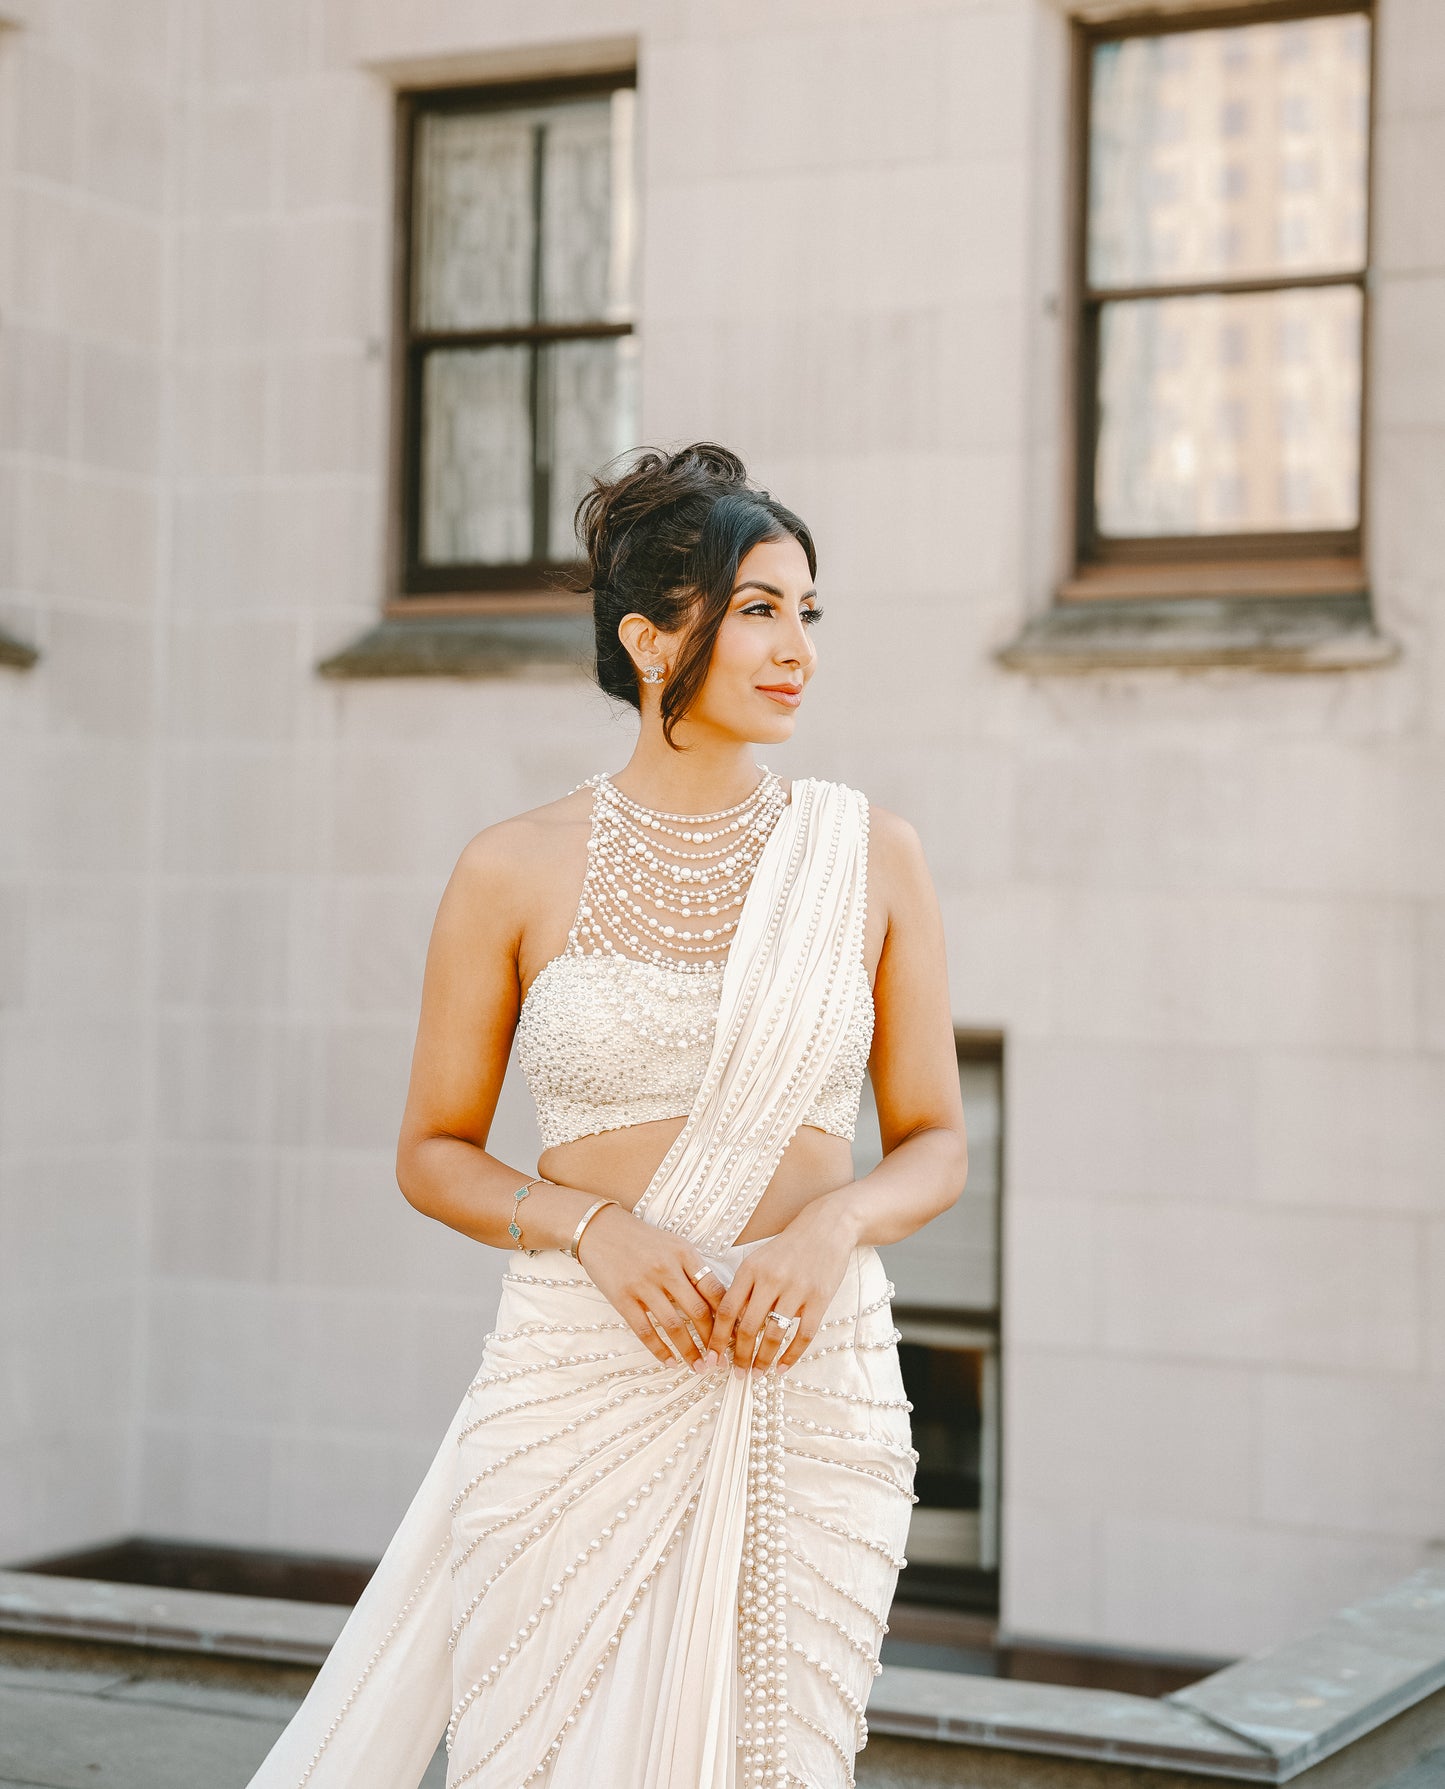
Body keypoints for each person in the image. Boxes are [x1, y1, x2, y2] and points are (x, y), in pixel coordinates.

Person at [246, 443, 967, 1789]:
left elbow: (933, 1136)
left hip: (808, 1376)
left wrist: (833, 1229)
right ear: (650, 638)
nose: (795, 645)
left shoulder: (870, 855)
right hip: (579, 1371)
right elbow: (431, 1152)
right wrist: (595, 1231)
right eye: (758, 607)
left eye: (807, 611)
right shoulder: (510, 868)